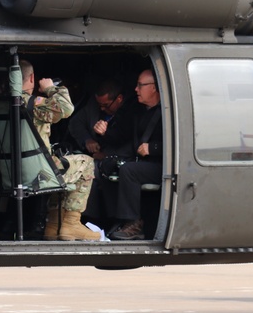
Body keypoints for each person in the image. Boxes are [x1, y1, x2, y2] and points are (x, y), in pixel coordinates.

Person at [19, 60, 99, 242]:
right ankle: (70, 223)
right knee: (86, 163)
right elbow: (66, 108)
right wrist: (51, 89)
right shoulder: (32, 104)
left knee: (59, 164)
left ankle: (54, 225)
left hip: (10, 170)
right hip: (38, 172)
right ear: (32, 78)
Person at [109, 69, 164, 241]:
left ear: (154, 88)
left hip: (164, 166)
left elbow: (182, 143)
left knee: (130, 170)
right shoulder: (138, 111)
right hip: (143, 162)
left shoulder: (169, 112)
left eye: (141, 85)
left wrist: (153, 148)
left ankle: (133, 223)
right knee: (109, 166)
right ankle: (114, 220)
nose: (136, 89)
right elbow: (121, 136)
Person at [68, 78, 135, 160]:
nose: (102, 109)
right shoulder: (95, 105)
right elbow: (75, 122)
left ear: (119, 99)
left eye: (106, 105)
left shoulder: (132, 112)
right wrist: (87, 139)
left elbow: (130, 142)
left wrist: (108, 156)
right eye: (100, 105)